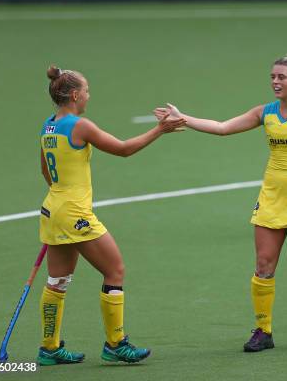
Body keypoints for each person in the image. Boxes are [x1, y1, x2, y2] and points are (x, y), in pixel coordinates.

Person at [154, 53, 287, 353]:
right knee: (263, 266)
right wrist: (182, 117)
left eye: (281, 77)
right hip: (272, 197)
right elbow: (223, 127)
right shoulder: (265, 112)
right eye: (273, 77)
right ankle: (264, 331)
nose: (275, 81)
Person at [37, 66, 185, 365]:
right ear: (75, 95)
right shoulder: (80, 126)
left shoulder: (48, 126)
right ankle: (116, 343)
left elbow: (45, 171)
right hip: (75, 213)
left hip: (52, 209)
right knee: (114, 270)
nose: (89, 95)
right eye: (87, 90)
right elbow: (123, 149)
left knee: (58, 280)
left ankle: (49, 348)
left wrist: (61, 208)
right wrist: (160, 130)